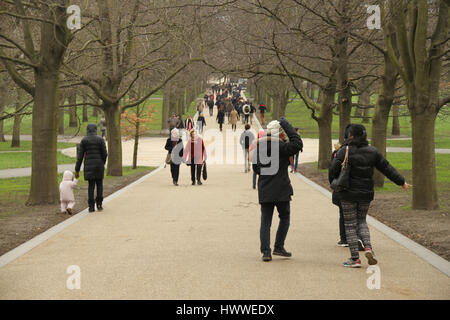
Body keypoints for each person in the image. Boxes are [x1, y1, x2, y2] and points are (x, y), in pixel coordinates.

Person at [329, 124, 410, 268]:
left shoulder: (344, 151)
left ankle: (355, 259)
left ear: (351, 136)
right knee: (362, 221)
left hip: (347, 193)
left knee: (350, 225)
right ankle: (368, 248)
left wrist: (334, 184)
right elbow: (387, 168)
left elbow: (333, 170)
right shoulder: (373, 152)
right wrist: (401, 181)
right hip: (366, 193)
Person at [253, 118, 303, 262]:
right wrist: (287, 125)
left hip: (265, 188)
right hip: (281, 188)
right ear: (280, 133)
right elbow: (298, 143)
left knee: (265, 221)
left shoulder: (260, 148)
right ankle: (279, 246)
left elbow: (256, 169)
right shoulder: (282, 147)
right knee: (285, 218)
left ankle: (266, 252)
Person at [75, 124, 108, 212]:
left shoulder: (84, 140)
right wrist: (102, 163)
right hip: (99, 165)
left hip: (89, 165)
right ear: (96, 130)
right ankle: (99, 204)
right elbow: (105, 153)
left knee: (91, 186)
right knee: (99, 184)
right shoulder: (100, 140)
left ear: (87, 130)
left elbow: (80, 157)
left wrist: (77, 170)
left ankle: (91, 206)